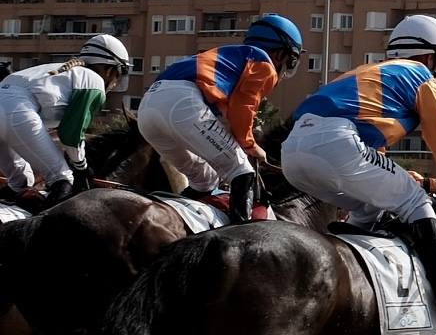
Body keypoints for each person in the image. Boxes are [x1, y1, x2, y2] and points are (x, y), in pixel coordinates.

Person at [282, 14, 436, 316]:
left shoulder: (369, 73)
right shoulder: (422, 76)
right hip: (336, 144)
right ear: (431, 56)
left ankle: (346, 275)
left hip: (293, 153)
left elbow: (376, 157)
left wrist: (413, 177)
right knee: (416, 203)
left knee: (369, 206)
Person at [137, 14, 304, 223]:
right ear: (281, 54)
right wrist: (250, 145)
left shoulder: (234, 58)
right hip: (181, 104)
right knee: (242, 171)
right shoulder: (265, 64)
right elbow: (243, 107)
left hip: (148, 110)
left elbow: (224, 113)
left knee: (205, 180)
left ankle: (171, 223)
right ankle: (237, 238)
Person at [0, 34, 131, 205]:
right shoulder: (94, 81)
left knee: (21, 182)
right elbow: (71, 135)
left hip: (11, 105)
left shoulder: (61, 71)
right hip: (16, 111)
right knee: (62, 178)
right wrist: (81, 167)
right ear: (111, 70)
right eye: (119, 75)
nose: (115, 83)